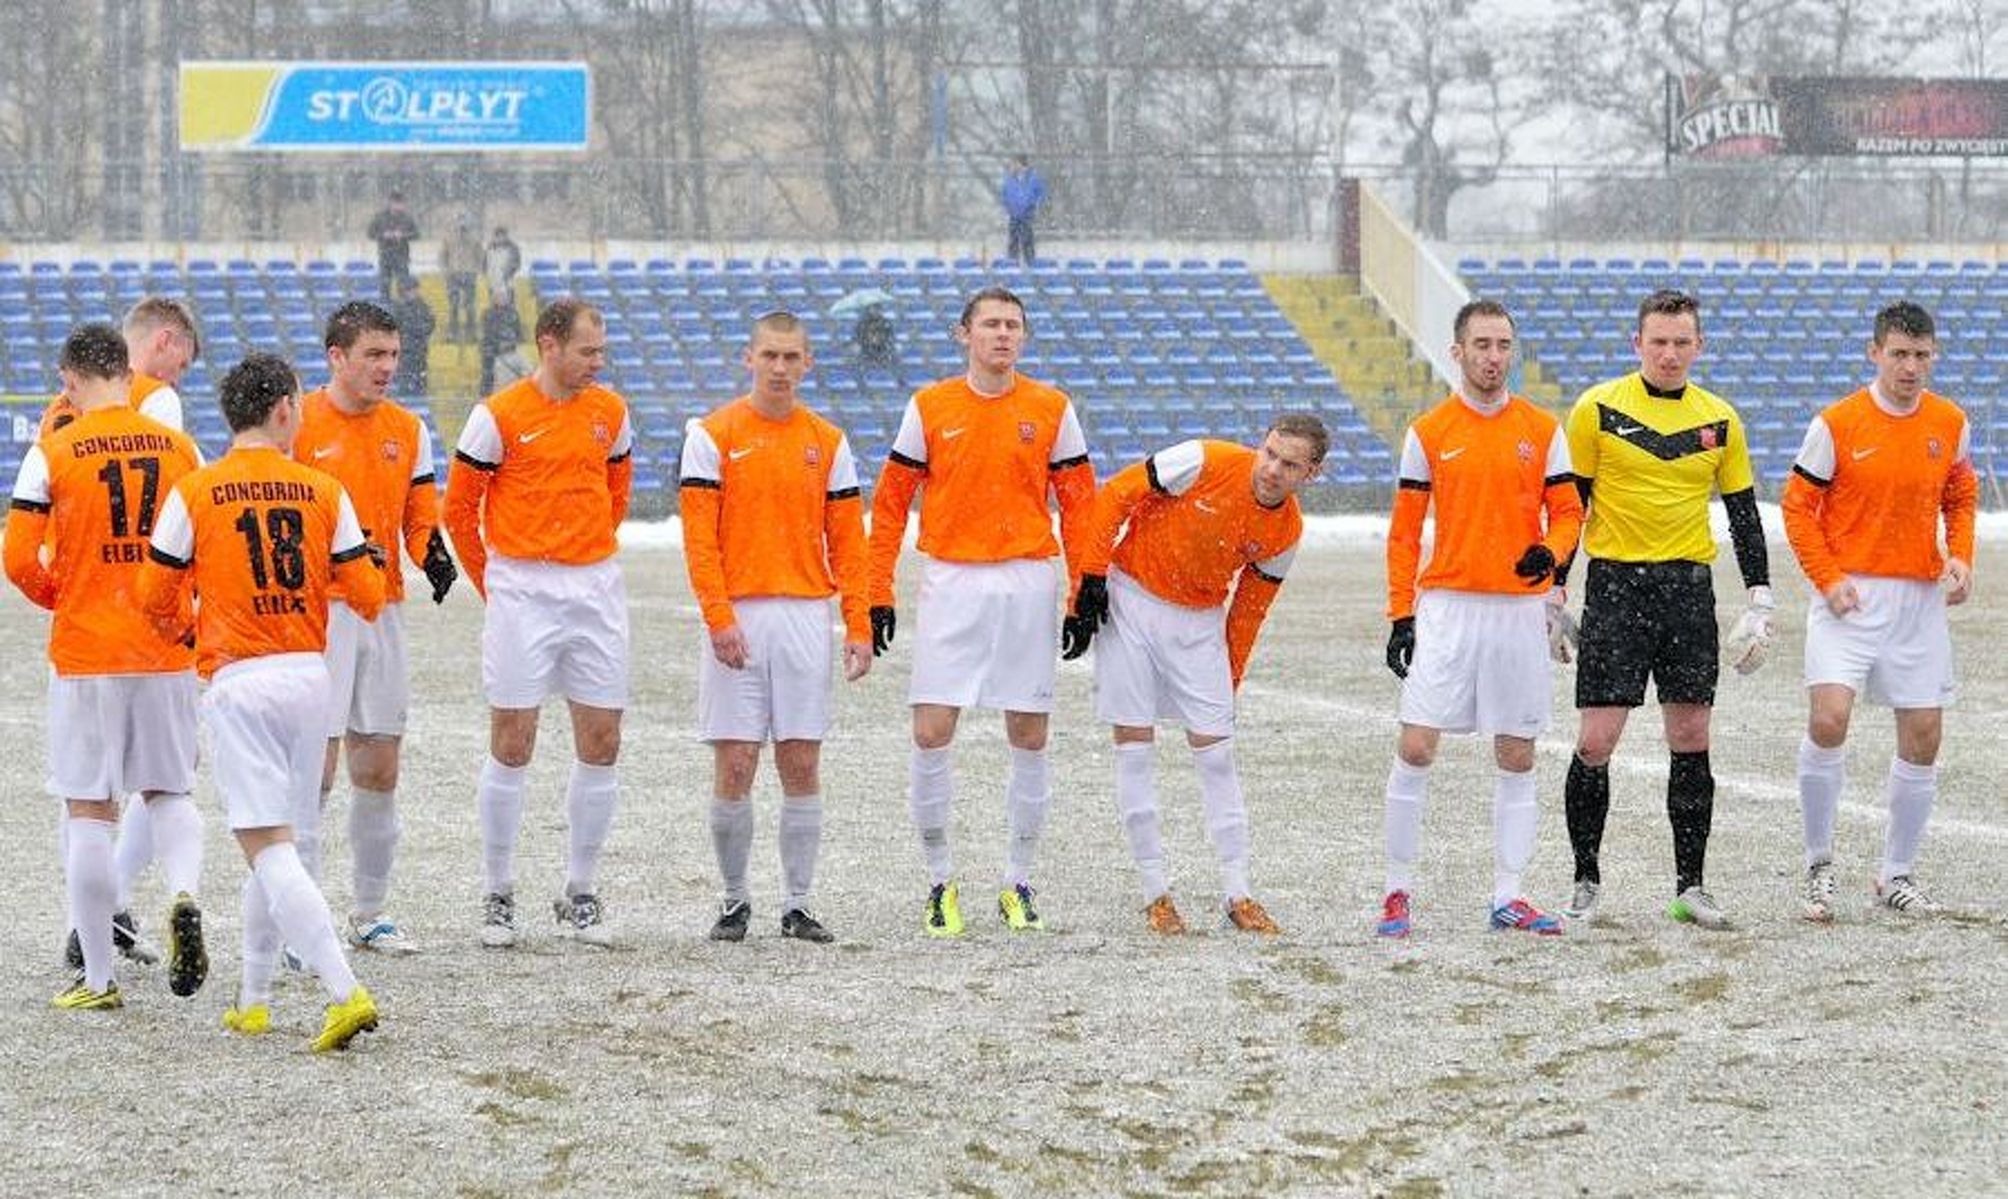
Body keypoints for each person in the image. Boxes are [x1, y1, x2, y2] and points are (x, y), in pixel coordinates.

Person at [137, 351, 386, 1052]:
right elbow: (367, 594)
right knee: (280, 843)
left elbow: (154, 596)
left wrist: (199, 628)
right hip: (309, 674)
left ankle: (345, 990)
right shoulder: (322, 488)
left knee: (266, 843)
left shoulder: (196, 489)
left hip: (242, 678)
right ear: (281, 410)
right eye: (300, 405)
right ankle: (254, 995)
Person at [868, 286, 1096, 936]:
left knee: (1029, 733)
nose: (1002, 334)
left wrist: (1085, 589)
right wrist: (878, 587)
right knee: (932, 729)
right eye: (990, 324)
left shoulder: (1052, 408)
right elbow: (889, 504)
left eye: (1013, 325)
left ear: (1023, 338)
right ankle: (940, 882)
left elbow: (1080, 503)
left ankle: (1018, 882)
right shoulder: (930, 406)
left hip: (1027, 578)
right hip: (952, 580)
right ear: (963, 334)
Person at [5, 323, 208, 1011]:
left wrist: (61, 593)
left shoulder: (54, 449)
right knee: (169, 791)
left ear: (70, 379)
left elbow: (15, 557)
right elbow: (201, 544)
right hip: (164, 644)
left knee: (90, 805)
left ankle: (97, 978)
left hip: (89, 646)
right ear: (128, 372)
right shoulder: (181, 448)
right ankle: (184, 894)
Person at [1558, 289, 1773, 931]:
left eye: (1682, 342)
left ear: (1698, 346)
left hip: (1686, 592)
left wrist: (1760, 596)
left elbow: (1741, 514)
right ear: (1637, 344)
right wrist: (1553, 588)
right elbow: (1571, 507)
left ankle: (1691, 885)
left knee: (1691, 738)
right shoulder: (1596, 409)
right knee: (1596, 742)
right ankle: (1586, 879)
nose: (1671, 353)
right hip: (1616, 588)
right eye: (1659, 341)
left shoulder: (1721, 420)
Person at [1071, 414, 1327, 936]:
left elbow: (1249, 612)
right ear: (1262, 444)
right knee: (1134, 745)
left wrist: (1227, 683)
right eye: (1271, 453)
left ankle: (1238, 893)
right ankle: (1155, 895)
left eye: (1290, 464)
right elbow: (1116, 494)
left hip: (1199, 623)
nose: (1273, 469)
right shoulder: (1203, 459)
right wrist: (1090, 577)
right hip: (1132, 601)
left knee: (1217, 753)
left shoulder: (1287, 532)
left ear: (1312, 473)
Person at [1378, 300, 1584, 939]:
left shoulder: (1544, 430)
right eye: (1482, 345)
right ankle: (1396, 893)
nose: (1494, 357)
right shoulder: (1430, 431)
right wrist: (1400, 615)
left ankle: (1509, 896)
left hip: (1518, 611)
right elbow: (1404, 534)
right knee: (1416, 746)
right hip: (1448, 610)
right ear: (1458, 352)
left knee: (1517, 753)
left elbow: (1572, 516)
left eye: (1503, 345)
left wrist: (1548, 556)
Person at [678, 312, 871, 944]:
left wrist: (858, 623)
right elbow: (699, 540)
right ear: (749, 358)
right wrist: (719, 617)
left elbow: (848, 541)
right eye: (770, 356)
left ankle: (798, 903)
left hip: (803, 617)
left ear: (807, 363)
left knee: (800, 761)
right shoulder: (712, 434)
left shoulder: (828, 441)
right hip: (739, 614)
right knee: (735, 763)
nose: (781, 368)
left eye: (792, 357)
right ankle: (734, 900)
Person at [445, 297, 632, 949]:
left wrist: (585, 549)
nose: (597, 363)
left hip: (594, 584)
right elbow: (459, 510)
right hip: (521, 585)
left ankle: (580, 889)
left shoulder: (611, 412)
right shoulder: (497, 417)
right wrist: (495, 583)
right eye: (587, 351)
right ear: (548, 346)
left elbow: (616, 491)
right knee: (514, 737)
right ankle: (498, 889)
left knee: (602, 737)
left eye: (601, 352)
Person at [1781, 301, 1976, 921]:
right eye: (1899, 354)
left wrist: (1962, 558)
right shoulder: (1837, 423)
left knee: (1924, 735)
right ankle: (1818, 866)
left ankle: (1896, 874)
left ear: (1933, 357)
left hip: (1917, 600)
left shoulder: (1950, 421)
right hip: (1849, 599)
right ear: (1875, 353)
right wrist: (1829, 579)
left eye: (1921, 355)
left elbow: (1961, 496)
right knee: (1831, 719)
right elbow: (1795, 510)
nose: (1910, 367)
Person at [293, 301, 457, 955]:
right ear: (337, 357)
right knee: (316, 769)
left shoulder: (406, 428)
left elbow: (419, 514)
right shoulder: (297, 421)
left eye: (393, 355)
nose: (388, 367)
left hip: (382, 609)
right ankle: (297, 921)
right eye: (374, 355)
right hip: (318, 613)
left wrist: (433, 553)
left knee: (380, 765)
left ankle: (369, 911)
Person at [387, 276, 435, 398]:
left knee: (420, 379)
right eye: (410, 290)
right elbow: (393, 328)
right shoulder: (398, 307)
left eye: (414, 289)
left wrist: (419, 333)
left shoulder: (423, 307)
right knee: (405, 379)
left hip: (419, 349)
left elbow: (430, 324)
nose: (413, 293)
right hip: (404, 350)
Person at [366, 191, 419, 296]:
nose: (399, 206)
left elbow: (416, 235)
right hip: (385, 255)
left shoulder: (407, 218)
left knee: (404, 286)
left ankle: (403, 310)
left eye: (401, 203)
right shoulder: (380, 217)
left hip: (402, 256)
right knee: (384, 286)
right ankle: (386, 308)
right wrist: (383, 235)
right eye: (397, 203)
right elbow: (370, 233)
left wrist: (403, 235)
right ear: (390, 203)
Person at [441, 217, 484, 343]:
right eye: (459, 227)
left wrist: (476, 270)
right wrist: (446, 271)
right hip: (453, 275)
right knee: (453, 305)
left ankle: (472, 334)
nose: (461, 230)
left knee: (470, 306)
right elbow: (443, 256)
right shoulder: (448, 239)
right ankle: (452, 333)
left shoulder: (474, 240)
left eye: (464, 227)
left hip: (469, 274)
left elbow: (480, 256)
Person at [1000, 155, 1047, 266]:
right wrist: (1008, 207)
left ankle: (1030, 263)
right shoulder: (1009, 179)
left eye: (1015, 163)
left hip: (1027, 214)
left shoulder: (1033, 178)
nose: (1013, 166)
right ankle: (1012, 264)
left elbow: (1041, 193)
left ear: (1022, 164)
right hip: (1014, 215)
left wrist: (1035, 205)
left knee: (1027, 240)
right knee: (1013, 241)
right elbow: (1004, 195)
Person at [479, 292, 526, 397]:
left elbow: (518, 333)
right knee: (489, 376)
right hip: (492, 352)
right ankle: (487, 396)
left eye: (503, 296)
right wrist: (497, 345)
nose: (501, 299)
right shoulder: (488, 314)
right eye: (499, 296)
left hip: (509, 352)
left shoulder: (513, 313)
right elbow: (489, 333)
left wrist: (510, 343)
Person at [485, 225, 522, 304]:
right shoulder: (490, 248)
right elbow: (486, 264)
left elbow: (517, 264)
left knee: (509, 307)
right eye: (497, 236)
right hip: (493, 283)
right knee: (494, 307)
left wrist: (506, 275)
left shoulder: (513, 248)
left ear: (506, 236)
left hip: (508, 284)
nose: (500, 238)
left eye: (502, 235)